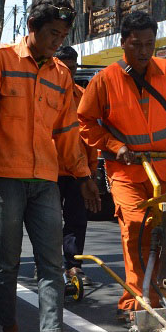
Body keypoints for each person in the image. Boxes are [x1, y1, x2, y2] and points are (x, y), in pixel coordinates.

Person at [0, 0, 101, 332]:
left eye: (63, 35)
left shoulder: (60, 75)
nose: (58, 41)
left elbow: (67, 133)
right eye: (53, 33)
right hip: (5, 178)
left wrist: (82, 174)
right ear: (32, 28)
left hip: (45, 180)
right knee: (7, 261)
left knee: (52, 262)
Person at [78, 10, 166, 323]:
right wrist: (116, 147)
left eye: (149, 44)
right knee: (136, 229)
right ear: (123, 43)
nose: (143, 51)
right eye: (136, 44)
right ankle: (138, 301)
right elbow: (85, 123)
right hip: (126, 172)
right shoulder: (105, 79)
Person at [54, 44, 99, 287]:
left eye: (73, 68)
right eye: (64, 68)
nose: (69, 73)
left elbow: (90, 137)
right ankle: (49, 267)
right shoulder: (44, 94)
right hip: (49, 171)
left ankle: (73, 266)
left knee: (77, 220)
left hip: (78, 173)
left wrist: (91, 170)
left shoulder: (82, 96)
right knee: (49, 222)